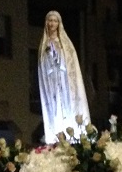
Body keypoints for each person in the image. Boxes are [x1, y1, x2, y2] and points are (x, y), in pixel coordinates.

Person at [37, 10, 90, 143]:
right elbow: (42, 65)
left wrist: (60, 61)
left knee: (67, 104)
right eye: (50, 21)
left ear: (59, 24)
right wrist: (50, 61)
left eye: (55, 21)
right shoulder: (44, 45)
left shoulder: (65, 44)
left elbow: (71, 62)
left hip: (65, 79)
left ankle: (72, 134)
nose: (52, 24)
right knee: (55, 108)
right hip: (52, 80)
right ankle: (56, 135)